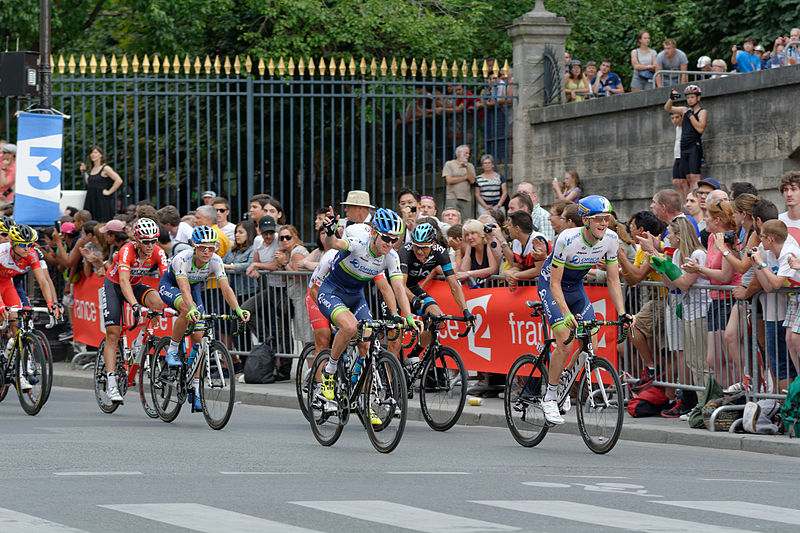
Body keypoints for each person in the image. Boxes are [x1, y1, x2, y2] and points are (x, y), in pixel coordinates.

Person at [537, 195, 632, 424]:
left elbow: (612, 280)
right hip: (552, 287)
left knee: (592, 343)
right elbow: (554, 283)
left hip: (576, 288)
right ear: (585, 219)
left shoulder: (610, 239)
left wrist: (621, 312)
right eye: (597, 218)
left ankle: (567, 374)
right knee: (565, 340)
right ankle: (550, 396)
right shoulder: (566, 239)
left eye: (606, 218)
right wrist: (566, 313)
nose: (603, 223)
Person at [316, 208, 417, 418]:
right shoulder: (358, 245)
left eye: (394, 240)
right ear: (373, 233)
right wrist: (331, 230)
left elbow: (397, 287)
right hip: (332, 291)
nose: (389, 244)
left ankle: (364, 401)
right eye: (386, 238)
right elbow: (335, 244)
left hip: (355, 297)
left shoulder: (391, 256)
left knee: (367, 345)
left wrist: (406, 316)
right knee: (350, 326)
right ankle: (330, 372)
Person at [159, 226, 250, 411]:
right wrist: (191, 308)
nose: (207, 251)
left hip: (192, 289)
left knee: (200, 340)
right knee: (186, 309)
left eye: (211, 247)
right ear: (194, 246)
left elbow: (225, 288)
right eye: (202, 247)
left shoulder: (216, 260)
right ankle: (173, 349)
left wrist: (238, 309)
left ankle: (195, 387)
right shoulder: (182, 259)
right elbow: (183, 289)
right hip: (171, 286)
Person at [100, 218, 168, 402]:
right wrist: (135, 305)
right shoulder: (126, 250)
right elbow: (123, 281)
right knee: (113, 333)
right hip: (114, 286)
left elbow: (167, 279)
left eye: (154, 240)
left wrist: (179, 304)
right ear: (137, 240)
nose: (150, 245)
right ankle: (112, 382)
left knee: (157, 303)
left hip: (135, 284)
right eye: (146, 241)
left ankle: (140, 340)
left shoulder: (158, 252)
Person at [398, 223, 475, 365]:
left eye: (424, 247)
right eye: (416, 246)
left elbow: (454, 286)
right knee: (394, 340)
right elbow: (400, 286)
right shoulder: (405, 252)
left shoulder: (440, 253)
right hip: (395, 290)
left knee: (437, 318)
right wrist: (413, 298)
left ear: (433, 244)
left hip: (413, 288)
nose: (419, 251)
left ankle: (413, 356)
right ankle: (389, 377)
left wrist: (465, 310)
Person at [665, 85, 708, 192]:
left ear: (698, 98)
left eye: (692, 97)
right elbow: (667, 108)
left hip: (694, 146)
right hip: (683, 147)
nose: (689, 100)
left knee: (694, 177)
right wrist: (671, 99)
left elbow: (700, 129)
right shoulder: (684, 110)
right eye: (688, 97)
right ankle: (687, 205)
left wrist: (691, 116)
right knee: (685, 178)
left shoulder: (702, 112)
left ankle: (698, 201)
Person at [81, 146, 123, 222]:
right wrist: (83, 172)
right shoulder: (92, 169)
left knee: (101, 222)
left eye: (95, 152)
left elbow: (119, 180)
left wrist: (109, 192)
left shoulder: (105, 168)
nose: (93, 154)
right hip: (90, 199)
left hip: (101, 200)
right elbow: (89, 182)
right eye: (91, 152)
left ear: (101, 155)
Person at [455, 219, 499, 286]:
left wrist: (469, 273)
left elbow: (493, 269)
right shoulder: (471, 248)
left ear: (481, 233)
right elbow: (463, 272)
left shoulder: (488, 244)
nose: (469, 237)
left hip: (494, 289)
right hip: (480, 290)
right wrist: (469, 248)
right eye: (467, 235)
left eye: (473, 233)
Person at [442, 145, 475, 219]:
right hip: (452, 197)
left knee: (466, 220)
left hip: (466, 198)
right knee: (451, 219)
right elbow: (449, 180)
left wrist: (466, 168)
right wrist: (465, 177)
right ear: (459, 153)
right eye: (466, 153)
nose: (468, 155)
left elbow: (472, 181)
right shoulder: (449, 164)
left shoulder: (470, 166)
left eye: (468, 153)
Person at [668, 110, 688, 202]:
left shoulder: (686, 126)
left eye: (677, 117)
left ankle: (686, 202)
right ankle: (681, 202)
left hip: (684, 156)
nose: (674, 120)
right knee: (676, 182)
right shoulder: (677, 128)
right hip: (677, 156)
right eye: (672, 118)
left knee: (683, 181)